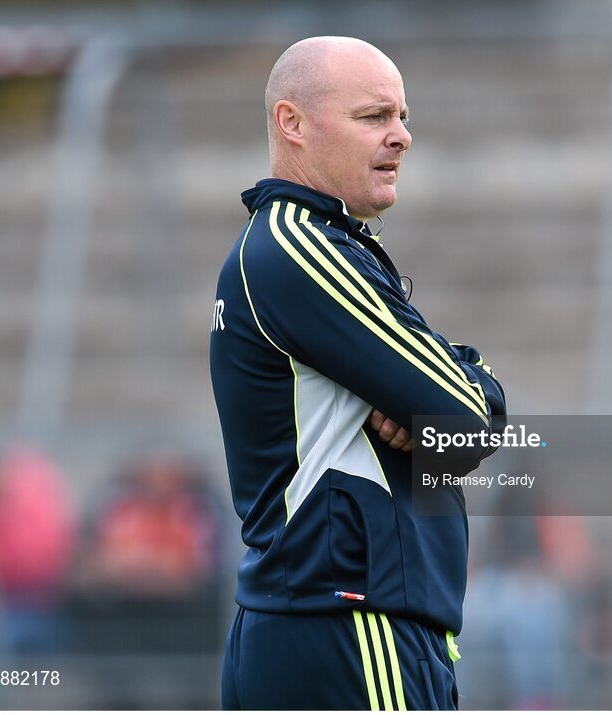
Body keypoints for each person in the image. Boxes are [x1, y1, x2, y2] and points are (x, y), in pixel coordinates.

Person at [210, 36, 506, 710]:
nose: (400, 137)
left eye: (403, 117)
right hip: (349, 625)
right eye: (373, 117)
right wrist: (474, 387)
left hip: (327, 620)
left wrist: (446, 395)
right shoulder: (299, 245)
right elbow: (468, 419)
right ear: (293, 123)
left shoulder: (318, 243)